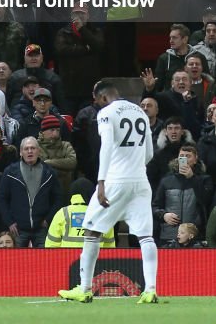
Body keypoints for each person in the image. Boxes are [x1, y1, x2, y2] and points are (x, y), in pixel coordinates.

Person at [58, 79, 158, 304]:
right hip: (140, 181)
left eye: (96, 100)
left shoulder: (105, 113)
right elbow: (150, 153)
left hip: (115, 180)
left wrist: (101, 181)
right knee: (145, 236)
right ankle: (150, 289)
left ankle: (84, 289)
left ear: (102, 98)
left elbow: (108, 147)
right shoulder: (140, 111)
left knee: (92, 232)